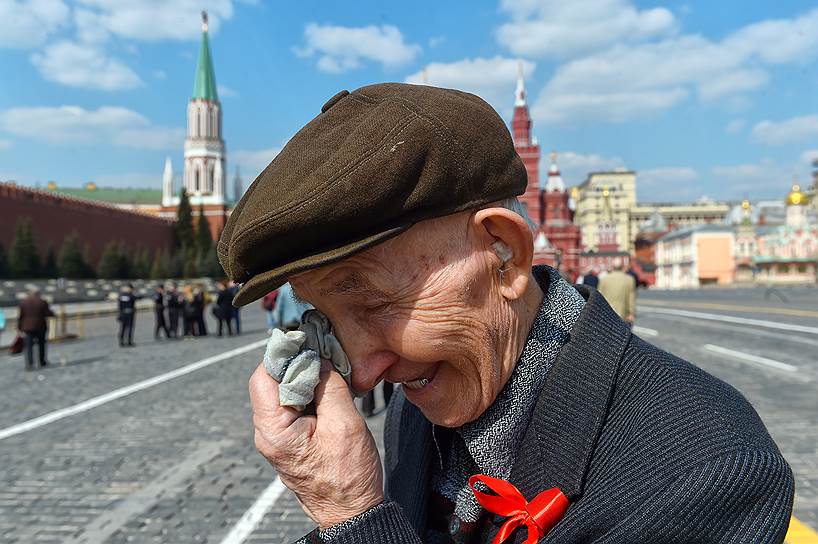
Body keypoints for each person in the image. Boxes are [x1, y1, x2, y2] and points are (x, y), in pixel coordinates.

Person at [218, 84, 792, 543]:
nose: (363, 372)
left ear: (506, 253)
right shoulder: (422, 402)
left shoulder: (704, 471)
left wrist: (350, 515)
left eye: (372, 301)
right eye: (327, 318)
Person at [17, 287, 54, 370]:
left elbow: (21, 316)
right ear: (38, 294)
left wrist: (19, 327)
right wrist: (53, 313)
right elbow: (48, 313)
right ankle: (42, 361)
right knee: (41, 344)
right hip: (40, 326)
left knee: (28, 346)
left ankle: (30, 363)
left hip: (27, 327)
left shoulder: (23, 303)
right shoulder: (42, 302)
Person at [598, 257, 637, 326]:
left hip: (607, 314)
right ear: (622, 267)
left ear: (613, 267)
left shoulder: (604, 279)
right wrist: (632, 313)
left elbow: (599, 296)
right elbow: (631, 298)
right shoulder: (629, 279)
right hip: (623, 314)